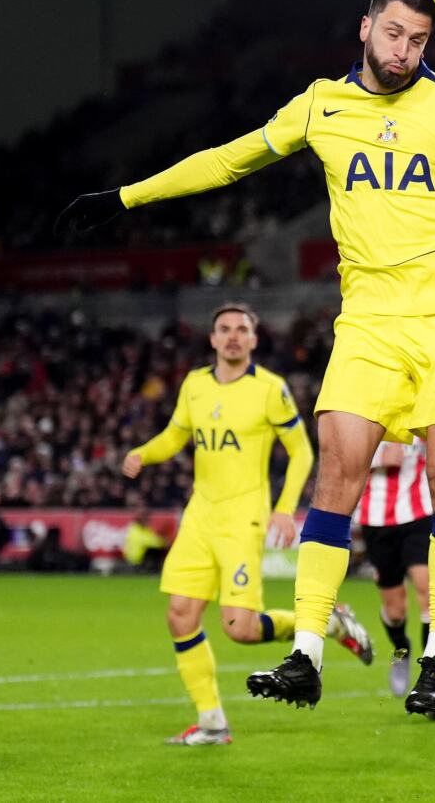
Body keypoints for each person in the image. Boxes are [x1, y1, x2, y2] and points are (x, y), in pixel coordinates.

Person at [57, 0, 435, 715]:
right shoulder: (319, 105)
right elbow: (230, 160)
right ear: (365, 28)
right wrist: (126, 198)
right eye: (393, 33)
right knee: (337, 467)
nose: (403, 51)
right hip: (367, 318)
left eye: (418, 40)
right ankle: (307, 653)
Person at [122, 304, 367, 747]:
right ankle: (212, 722)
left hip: (243, 518)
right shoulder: (195, 385)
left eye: (242, 330)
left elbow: (302, 452)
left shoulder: (270, 389)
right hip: (200, 516)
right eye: (224, 329)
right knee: (180, 616)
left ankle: (328, 624)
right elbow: (176, 436)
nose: (233, 336)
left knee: (240, 628)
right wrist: (144, 453)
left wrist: (284, 508)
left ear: (254, 340)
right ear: (212, 339)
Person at [356, 439, 433, 696]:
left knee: (428, 590)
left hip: (419, 515)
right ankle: (401, 652)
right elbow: (342, 458)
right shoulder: (367, 415)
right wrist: (378, 459)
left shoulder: (420, 410)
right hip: (375, 520)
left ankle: (431, 676)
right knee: (395, 611)